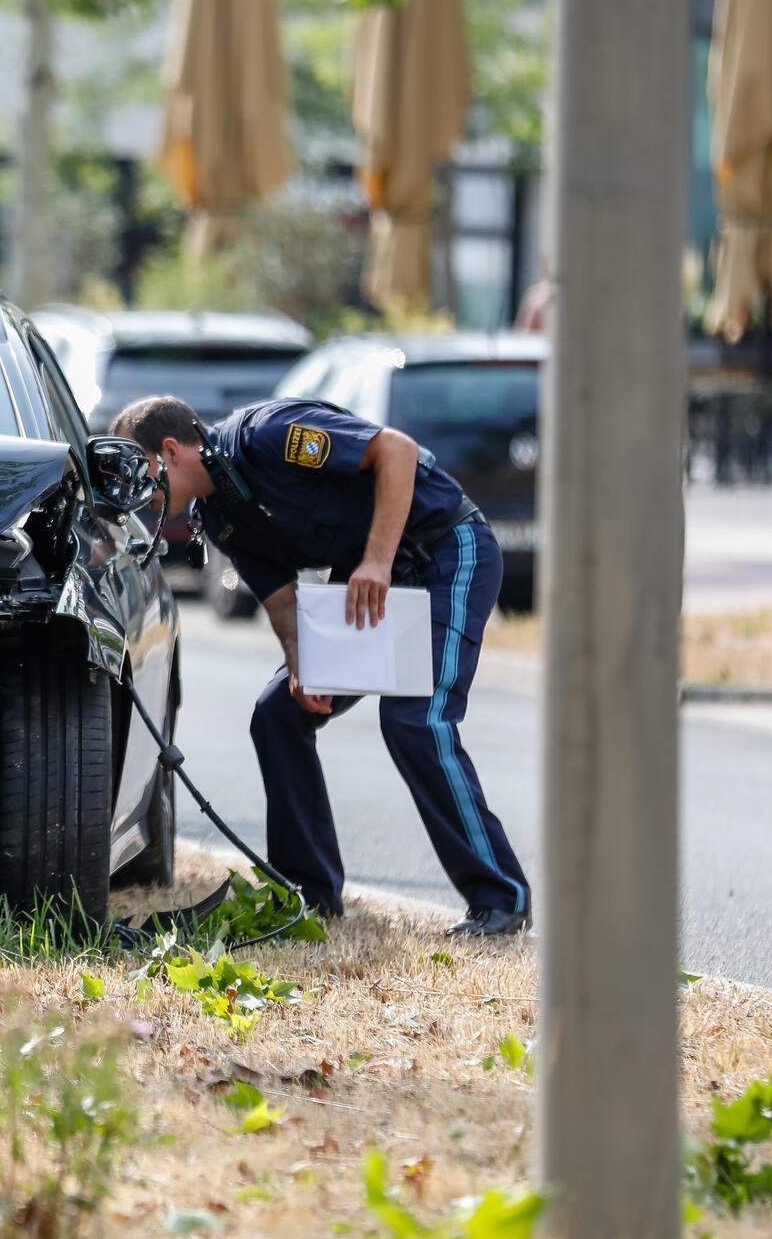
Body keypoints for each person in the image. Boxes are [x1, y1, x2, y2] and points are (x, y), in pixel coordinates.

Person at [111, 395, 531, 937]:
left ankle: (501, 899)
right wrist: (301, 665)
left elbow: (397, 453)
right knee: (277, 713)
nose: (140, 493)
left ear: (169, 451)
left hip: (447, 554)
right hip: (371, 585)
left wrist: (378, 562)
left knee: (415, 721)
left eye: (141, 473)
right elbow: (283, 602)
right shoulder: (219, 516)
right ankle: (309, 896)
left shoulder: (269, 435)